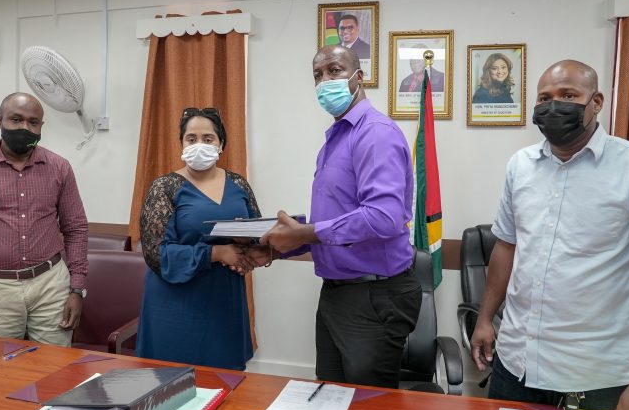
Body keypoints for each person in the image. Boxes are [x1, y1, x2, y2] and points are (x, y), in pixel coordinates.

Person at [470, 60, 629, 410]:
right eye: (545, 97)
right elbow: (506, 247)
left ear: (596, 102)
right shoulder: (520, 166)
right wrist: (485, 318)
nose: (554, 105)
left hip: (595, 375)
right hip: (516, 363)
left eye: (568, 95)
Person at [260, 45, 422, 389]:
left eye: (334, 70)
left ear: (358, 77)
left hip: (374, 296)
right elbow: (334, 218)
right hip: (337, 293)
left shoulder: (375, 133)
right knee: (330, 398)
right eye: (318, 75)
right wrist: (276, 245)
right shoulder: (337, 138)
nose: (324, 81)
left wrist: (303, 234)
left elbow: (383, 217)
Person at [0, 92, 88, 346]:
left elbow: (75, 229)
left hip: (51, 285)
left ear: (41, 126)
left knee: (54, 372)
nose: (25, 128)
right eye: (16, 119)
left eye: (33, 122)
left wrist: (77, 289)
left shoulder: (59, 167)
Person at [136, 107, 269, 371]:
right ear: (181, 144)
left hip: (224, 299)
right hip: (176, 303)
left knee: (224, 384)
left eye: (208, 139)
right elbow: (156, 255)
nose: (199, 144)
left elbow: (256, 231)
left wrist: (249, 252)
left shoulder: (239, 184)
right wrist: (217, 253)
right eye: (191, 138)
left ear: (221, 144)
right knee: (171, 386)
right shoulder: (164, 187)